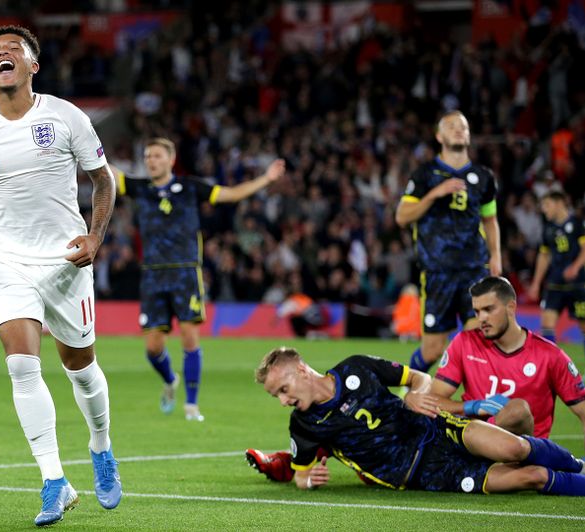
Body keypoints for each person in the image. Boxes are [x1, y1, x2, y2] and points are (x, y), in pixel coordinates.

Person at [0, 25, 120, 526]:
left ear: (31, 66)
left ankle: (101, 447)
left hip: (66, 260)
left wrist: (95, 237)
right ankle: (53, 481)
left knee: (80, 368)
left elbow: (102, 178)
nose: (2, 54)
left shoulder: (65, 117)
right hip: (8, 260)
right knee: (22, 367)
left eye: (12, 50)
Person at [249, 346, 585, 496]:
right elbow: (301, 477)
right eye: (275, 396)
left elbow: (420, 379)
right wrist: (310, 481)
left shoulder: (357, 367)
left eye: (283, 389)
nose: (283, 400)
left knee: (515, 447)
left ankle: (577, 466)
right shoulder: (303, 425)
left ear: (302, 370)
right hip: (422, 473)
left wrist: (414, 396)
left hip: (435, 430)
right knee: (535, 476)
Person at [112, 138, 285, 421]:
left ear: (171, 159)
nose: (151, 161)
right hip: (153, 274)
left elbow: (230, 194)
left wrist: (266, 179)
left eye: (156, 156)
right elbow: (110, 173)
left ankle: (191, 405)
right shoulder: (139, 189)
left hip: (185, 271)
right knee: (153, 348)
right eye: (147, 156)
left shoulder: (190, 187)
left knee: (190, 337)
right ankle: (170, 380)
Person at [395, 110, 502, 372]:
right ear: (439, 136)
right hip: (437, 271)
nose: (458, 130)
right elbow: (402, 217)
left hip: (473, 269)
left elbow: (490, 220)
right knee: (432, 349)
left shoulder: (483, 177)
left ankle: (472, 406)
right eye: (452, 126)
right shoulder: (425, 175)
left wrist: (495, 255)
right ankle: (407, 393)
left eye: (463, 127)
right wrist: (434, 194)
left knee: (478, 340)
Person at [432, 276, 585, 440]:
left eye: (489, 309)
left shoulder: (551, 356)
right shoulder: (465, 343)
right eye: (477, 311)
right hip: (476, 452)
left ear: (511, 307)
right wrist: (474, 406)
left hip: (526, 458)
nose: (481, 318)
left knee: (517, 412)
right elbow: (433, 401)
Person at [528, 190, 585, 350]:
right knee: (547, 323)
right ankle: (552, 368)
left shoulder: (577, 223)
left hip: (578, 284)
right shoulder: (548, 228)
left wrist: (575, 267)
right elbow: (544, 256)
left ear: (559, 203)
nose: (544, 209)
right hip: (555, 282)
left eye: (547, 205)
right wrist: (536, 283)